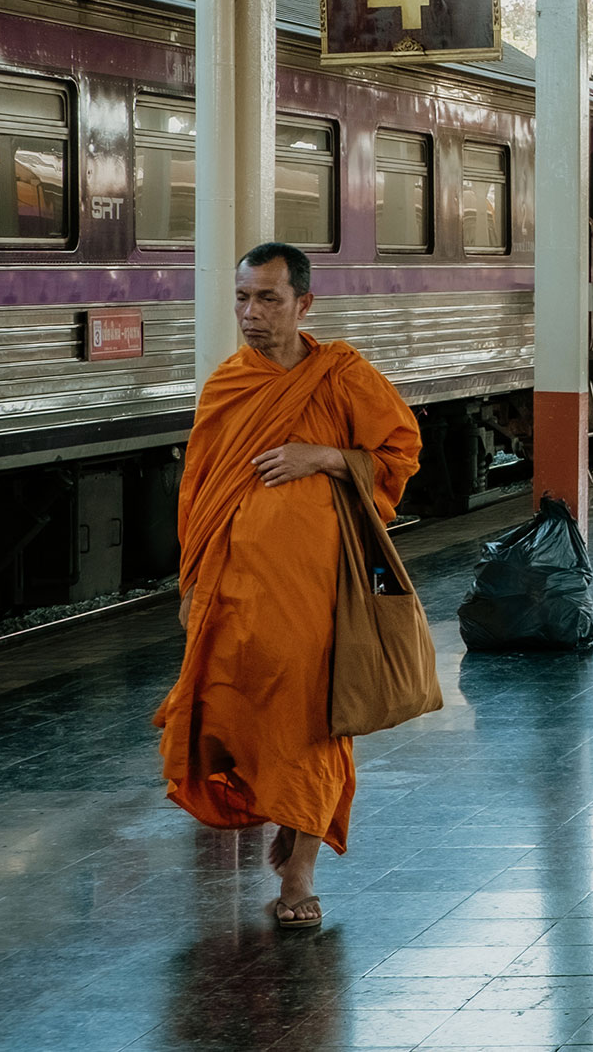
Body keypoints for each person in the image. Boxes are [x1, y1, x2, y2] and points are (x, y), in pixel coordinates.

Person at [155, 242, 421, 929]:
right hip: (232, 594)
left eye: (268, 298)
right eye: (242, 297)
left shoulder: (341, 375)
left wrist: (325, 456)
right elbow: (200, 493)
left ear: (304, 303)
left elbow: (401, 451)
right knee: (231, 711)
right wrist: (191, 582)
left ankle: (299, 867)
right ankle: (279, 810)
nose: (251, 313)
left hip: (315, 592)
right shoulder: (226, 386)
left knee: (312, 718)